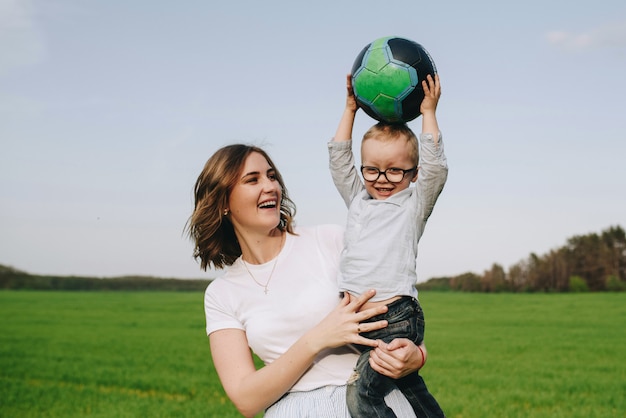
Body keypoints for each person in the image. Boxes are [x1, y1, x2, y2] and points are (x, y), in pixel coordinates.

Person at [187, 143, 431, 418]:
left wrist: (417, 355)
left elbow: (400, 311)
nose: (270, 186)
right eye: (252, 180)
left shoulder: (331, 240)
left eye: (271, 176)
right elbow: (246, 399)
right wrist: (317, 338)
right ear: (222, 204)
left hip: (375, 404)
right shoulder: (222, 294)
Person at [328, 73, 447, 418]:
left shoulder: (412, 206)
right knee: (410, 386)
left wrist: (429, 112)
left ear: (413, 173)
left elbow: (436, 169)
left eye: (395, 171)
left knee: (362, 395)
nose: (382, 179)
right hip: (362, 320)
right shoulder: (358, 200)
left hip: (394, 316)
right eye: (373, 170)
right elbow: (338, 161)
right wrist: (350, 109)